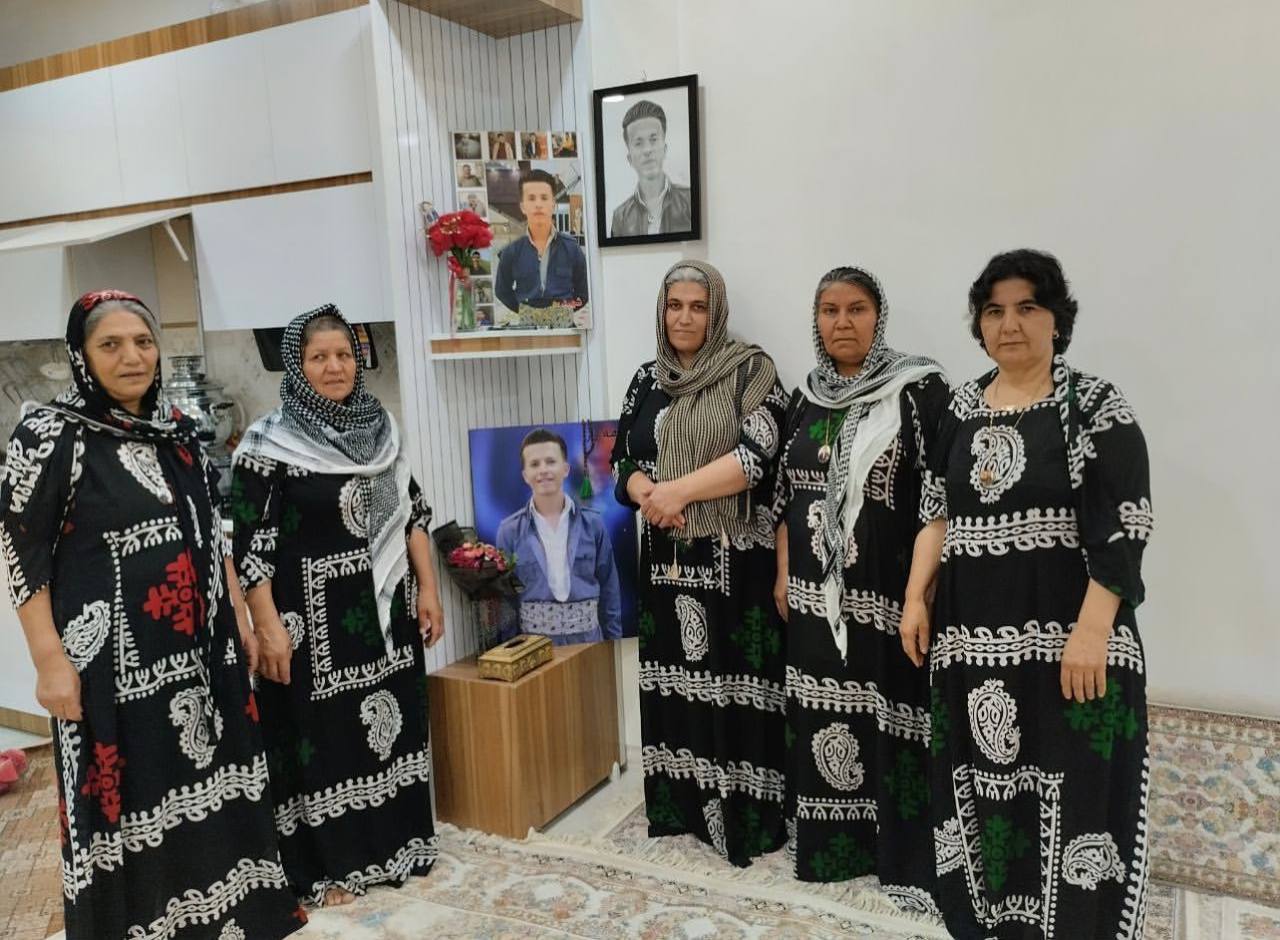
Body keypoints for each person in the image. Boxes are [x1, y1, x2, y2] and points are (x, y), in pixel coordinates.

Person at [0, 290, 304, 940]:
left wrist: (240, 618)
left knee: (214, 779)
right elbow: (22, 555)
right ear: (81, 355)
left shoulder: (177, 429)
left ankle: (228, 918)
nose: (132, 357)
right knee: (132, 800)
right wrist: (49, 662)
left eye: (143, 342)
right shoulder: (50, 435)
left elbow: (212, 529)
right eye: (110, 345)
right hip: (109, 669)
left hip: (203, 654)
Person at [901, 250, 1154, 939]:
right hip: (972, 640)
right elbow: (936, 512)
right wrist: (917, 597)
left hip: (1071, 639)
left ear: (1056, 320)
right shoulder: (959, 407)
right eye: (994, 311)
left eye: (1027, 308)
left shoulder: (1095, 406)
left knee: (1075, 780)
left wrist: (1093, 632)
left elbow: (1126, 526)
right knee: (986, 779)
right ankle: (992, 917)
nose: (1009, 324)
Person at [230, 305, 445, 907]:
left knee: (392, 729)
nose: (335, 367)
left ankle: (397, 843)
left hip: (387, 619)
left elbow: (414, 515)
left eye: (344, 354)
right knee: (322, 743)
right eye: (318, 357)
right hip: (306, 627)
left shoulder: (382, 431)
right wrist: (266, 626)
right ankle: (328, 867)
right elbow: (249, 546)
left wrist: (428, 589)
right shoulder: (268, 443)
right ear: (296, 366)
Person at [772, 268, 947, 906]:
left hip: (887, 596)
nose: (842, 322)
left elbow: (937, 501)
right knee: (820, 713)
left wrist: (920, 595)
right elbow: (784, 495)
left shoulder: (918, 391)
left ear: (879, 316)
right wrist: (783, 572)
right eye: (829, 310)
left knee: (889, 713)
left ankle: (893, 849)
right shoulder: (806, 397)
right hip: (811, 598)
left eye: (857, 309)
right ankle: (829, 846)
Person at [610, 260, 789, 866]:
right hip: (665, 558)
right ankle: (681, 807)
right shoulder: (647, 378)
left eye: (698, 306)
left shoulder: (751, 371)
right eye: (674, 305)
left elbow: (760, 454)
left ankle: (744, 816)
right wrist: (646, 493)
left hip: (736, 560)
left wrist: (676, 493)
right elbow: (621, 459)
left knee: (733, 684)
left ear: (718, 312)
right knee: (675, 685)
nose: (685, 317)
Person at [496, 428, 622, 644]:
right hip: (533, 648)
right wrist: (510, 649)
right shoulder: (509, 531)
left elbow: (610, 589)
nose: (543, 470)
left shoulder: (593, 524)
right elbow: (506, 601)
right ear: (525, 475)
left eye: (550, 461)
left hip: (588, 643)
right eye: (535, 464)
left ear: (565, 469)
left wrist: (614, 643)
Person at [493, 169, 589, 312]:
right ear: (523, 206)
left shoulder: (572, 248)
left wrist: (564, 312)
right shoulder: (511, 250)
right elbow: (502, 291)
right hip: (527, 324)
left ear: (553, 204)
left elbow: (584, 292)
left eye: (544, 198)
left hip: (564, 323)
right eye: (531, 198)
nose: (538, 204)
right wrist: (524, 311)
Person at [610, 99, 694, 237]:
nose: (647, 150)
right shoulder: (620, 217)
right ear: (629, 158)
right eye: (638, 143)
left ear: (665, 149)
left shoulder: (690, 201)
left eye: (653, 140)